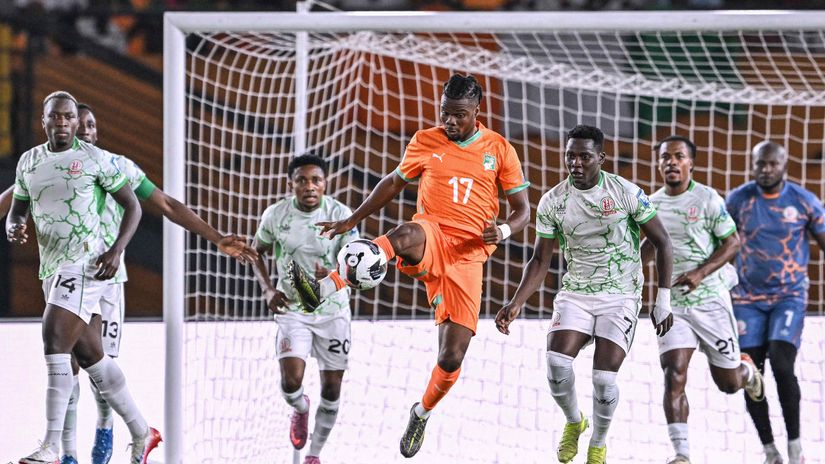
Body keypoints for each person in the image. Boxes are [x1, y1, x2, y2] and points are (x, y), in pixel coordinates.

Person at [290, 74, 531, 458]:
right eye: (444, 114)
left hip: (469, 256)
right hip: (432, 234)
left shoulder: (499, 149)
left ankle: (421, 412)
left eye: (458, 116)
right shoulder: (425, 141)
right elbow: (393, 182)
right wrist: (353, 219)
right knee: (405, 233)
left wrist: (502, 230)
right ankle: (325, 288)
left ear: (476, 113)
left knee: (451, 357)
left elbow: (523, 212)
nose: (449, 122)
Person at [52, 103, 254, 464]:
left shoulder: (119, 167)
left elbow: (166, 204)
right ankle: (67, 455)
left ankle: (105, 426)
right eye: (78, 124)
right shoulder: (47, 168)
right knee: (67, 365)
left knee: (99, 371)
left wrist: (216, 236)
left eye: (91, 125)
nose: (84, 130)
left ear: (97, 133)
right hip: (64, 279)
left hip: (107, 284)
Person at [494, 124, 674, 464]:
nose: (576, 163)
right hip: (576, 292)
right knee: (556, 362)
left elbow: (663, 242)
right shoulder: (553, 202)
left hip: (620, 295)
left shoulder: (626, 193)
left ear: (601, 158)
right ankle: (575, 422)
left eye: (585, 156)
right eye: (570, 156)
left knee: (604, 378)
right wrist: (516, 302)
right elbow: (540, 259)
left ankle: (598, 443)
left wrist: (661, 301)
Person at [7, 91, 157, 464]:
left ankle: (51, 447)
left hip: (87, 264)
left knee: (54, 335)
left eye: (68, 117)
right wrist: (14, 225)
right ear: (43, 121)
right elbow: (17, 209)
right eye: (55, 117)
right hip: (51, 268)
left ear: (76, 122)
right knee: (90, 356)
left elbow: (133, 206)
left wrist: (117, 249)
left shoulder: (94, 159)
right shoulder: (29, 162)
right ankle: (143, 431)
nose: (62, 123)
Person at [640, 135, 765, 464]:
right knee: (674, 372)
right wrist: (631, 277)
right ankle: (681, 454)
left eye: (678, 156)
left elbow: (733, 242)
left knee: (728, 383)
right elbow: (650, 246)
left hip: (710, 301)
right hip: (674, 305)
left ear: (690, 163)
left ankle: (747, 372)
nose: (671, 162)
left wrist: (700, 272)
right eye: (665, 157)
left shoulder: (708, 199)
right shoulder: (652, 204)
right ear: (659, 164)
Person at [251, 154, 358, 464]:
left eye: (316, 180)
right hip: (293, 308)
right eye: (302, 180)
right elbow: (257, 252)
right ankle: (300, 407)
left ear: (325, 184)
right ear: (291, 184)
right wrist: (268, 289)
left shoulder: (340, 214)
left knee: (332, 388)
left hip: (333, 311)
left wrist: (334, 274)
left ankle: (313, 455)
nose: (309, 186)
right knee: (291, 381)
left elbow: (354, 260)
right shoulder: (276, 215)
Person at [726, 141, 825, 464]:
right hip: (746, 300)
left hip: (789, 297)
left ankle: (795, 446)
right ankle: (770, 450)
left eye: (771, 164)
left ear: (784, 165)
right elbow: (719, 244)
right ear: (752, 165)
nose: (765, 169)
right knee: (750, 374)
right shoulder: (738, 200)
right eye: (759, 164)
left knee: (783, 365)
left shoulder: (804, 201)